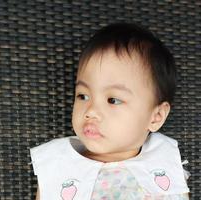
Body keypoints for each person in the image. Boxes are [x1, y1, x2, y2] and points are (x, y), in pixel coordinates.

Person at [30, 23, 190, 200]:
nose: (91, 111)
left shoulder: (163, 162)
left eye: (113, 100)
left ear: (156, 117)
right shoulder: (59, 165)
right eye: (83, 96)